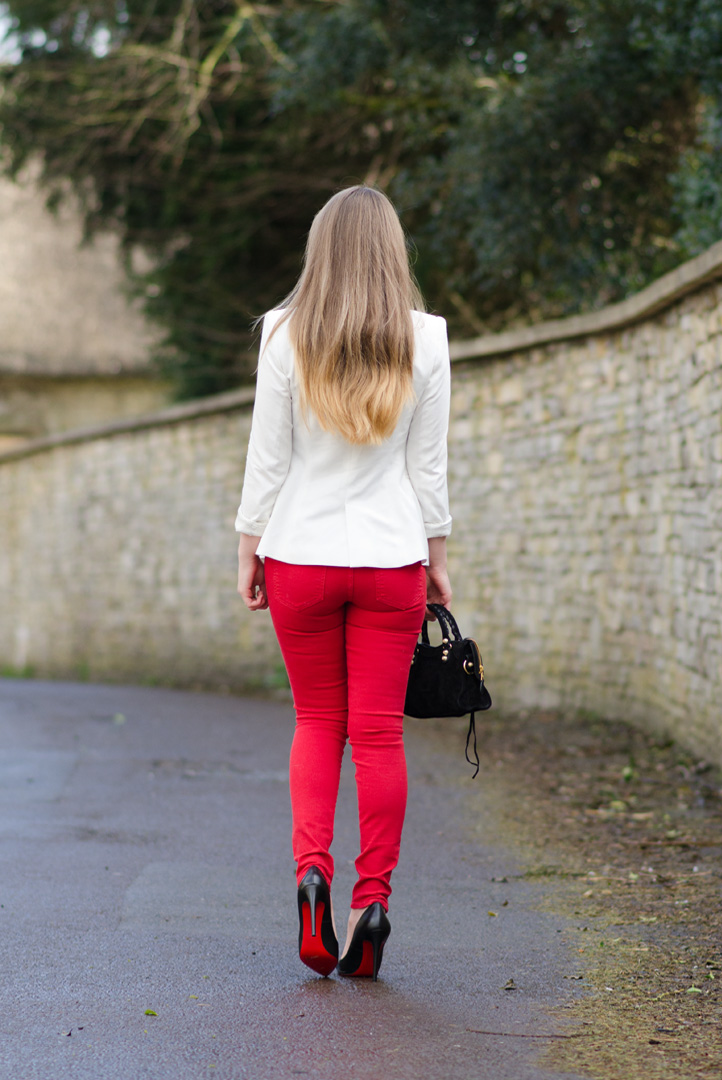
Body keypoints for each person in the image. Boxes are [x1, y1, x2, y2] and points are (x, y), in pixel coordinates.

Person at [235, 185, 452, 981]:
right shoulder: (427, 339)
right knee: (380, 734)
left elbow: (269, 456)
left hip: (300, 551)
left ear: (319, 251)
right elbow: (428, 468)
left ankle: (311, 875)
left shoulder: (283, 333)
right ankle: (372, 901)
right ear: (393, 252)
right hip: (392, 556)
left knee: (317, 719)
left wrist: (248, 547)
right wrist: (436, 559)